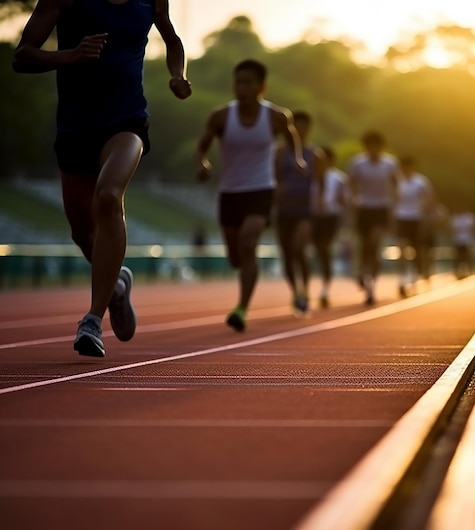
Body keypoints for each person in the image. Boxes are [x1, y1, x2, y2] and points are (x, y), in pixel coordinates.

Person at [12, 0, 192, 358]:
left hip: (127, 121)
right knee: (82, 233)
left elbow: (171, 39)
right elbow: (22, 56)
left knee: (109, 199)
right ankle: (118, 287)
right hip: (76, 128)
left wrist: (178, 74)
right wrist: (69, 56)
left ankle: (92, 320)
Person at [195, 59, 306, 332]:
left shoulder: (276, 116)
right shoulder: (221, 116)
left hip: (261, 190)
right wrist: (202, 162)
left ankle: (241, 308)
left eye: (248, 82)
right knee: (236, 256)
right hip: (230, 192)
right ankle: (243, 285)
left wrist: (298, 159)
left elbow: (291, 135)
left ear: (261, 86)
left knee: (248, 243)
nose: (241, 87)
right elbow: (204, 143)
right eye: (238, 82)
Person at [274, 111, 324, 316]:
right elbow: (273, 177)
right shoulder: (280, 152)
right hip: (284, 209)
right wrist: (278, 190)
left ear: (309, 129)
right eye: (297, 127)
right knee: (286, 254)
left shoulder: (315, 155)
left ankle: (305, 291)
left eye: (304, 127)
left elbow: (321, 183)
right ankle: (295, 292)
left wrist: (319, 203)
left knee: (298, 248)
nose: (300, 131)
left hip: (305, 210)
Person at [348, 131, 399, 305]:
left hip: (381, 209)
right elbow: (351, 184)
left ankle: (372, 288)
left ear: (381, 147)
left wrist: (393, 206)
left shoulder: (390, 164)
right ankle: (362, 274)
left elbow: (395, 184)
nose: (373, 150)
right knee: (364, 247)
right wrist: (353, 201)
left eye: (377, 147)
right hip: (364, 209)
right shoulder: (358, 163)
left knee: (374, 245)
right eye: (370, 147)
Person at [312, 146, 349, 308]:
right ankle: (315, 284)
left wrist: (343, 220)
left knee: (324, 248)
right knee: (318, 251)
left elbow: (344, 200)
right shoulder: (310, 176)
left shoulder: (339, 178)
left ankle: (325, 289)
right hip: (313, 217)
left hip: (331, 217)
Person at [393, 155, 436, 297]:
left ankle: (414, 278)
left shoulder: (421, 182)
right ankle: (402, 280)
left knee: (417, 251)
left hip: (417, 219)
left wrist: (426, 212)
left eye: (408, 167)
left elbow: (430, 198)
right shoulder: (397, 182)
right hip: (401, 218)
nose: (405, 170)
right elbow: (391, 197)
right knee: (401, 249)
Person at [449, 202, 475, 279]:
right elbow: (451, 229)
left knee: (468, 256)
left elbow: (474, 228)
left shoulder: (469, 217)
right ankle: (457, 270)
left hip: (467, 240)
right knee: (457, 257)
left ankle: (470, 269)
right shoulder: (455, 218)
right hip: (457, 240)